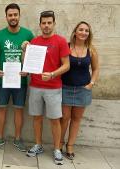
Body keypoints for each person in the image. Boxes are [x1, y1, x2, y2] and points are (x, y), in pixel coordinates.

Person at [25, 11, 70, 165]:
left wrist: (52, 74)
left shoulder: (61, 41)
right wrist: (25, 50)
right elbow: (28, 64)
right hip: (35, 86)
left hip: (53, 87)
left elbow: (66, 65)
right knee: (36, 117)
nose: (46, 26)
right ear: (40, 25)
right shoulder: (34, 41)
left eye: (49, 23)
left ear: (54, 24)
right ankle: (38, 145)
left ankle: (57, 149)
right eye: (43, 23)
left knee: (54, 119)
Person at [0, 3, 34, 151]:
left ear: (19, 16)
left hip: (20, 81)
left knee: (18, 110)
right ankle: (0, 138)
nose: (13, 17)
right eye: (10, 15)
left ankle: (17, 139)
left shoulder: (28, 35)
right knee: (1, 109)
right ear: (6, 17)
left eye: (15, 15)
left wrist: (27, 71)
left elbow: (32, 58)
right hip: (3, 80)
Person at [60, 21, 99, 160]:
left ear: (89, 34)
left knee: (76, 119)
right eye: (81, 29)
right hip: (65, 88)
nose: (83, 32)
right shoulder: (66, 47)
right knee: (64, 118)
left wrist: (91, 83)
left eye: (86, 30)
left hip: (83, 89)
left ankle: (70, 146)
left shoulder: (91, 50)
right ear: (75, 32)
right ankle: (59, 144)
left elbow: (95, 69)